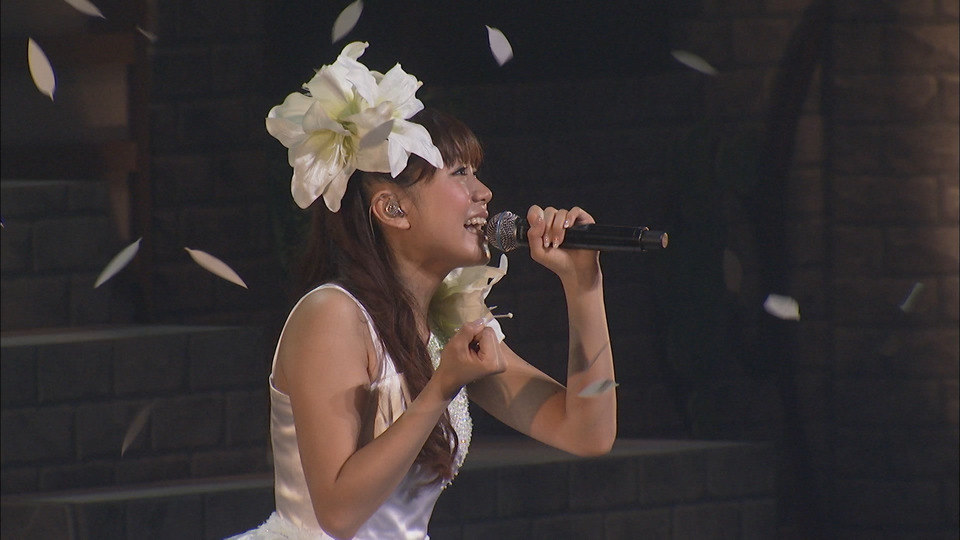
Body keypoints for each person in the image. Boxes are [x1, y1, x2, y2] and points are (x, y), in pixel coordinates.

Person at [229, 42, 617, 540]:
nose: (484, 193)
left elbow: (587, 432)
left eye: (476, 173)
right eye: (460, 173)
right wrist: (440, 387)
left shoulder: (447, 322)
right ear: (393, 210)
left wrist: (583, 286)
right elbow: (338, 515)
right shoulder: (331, 316)